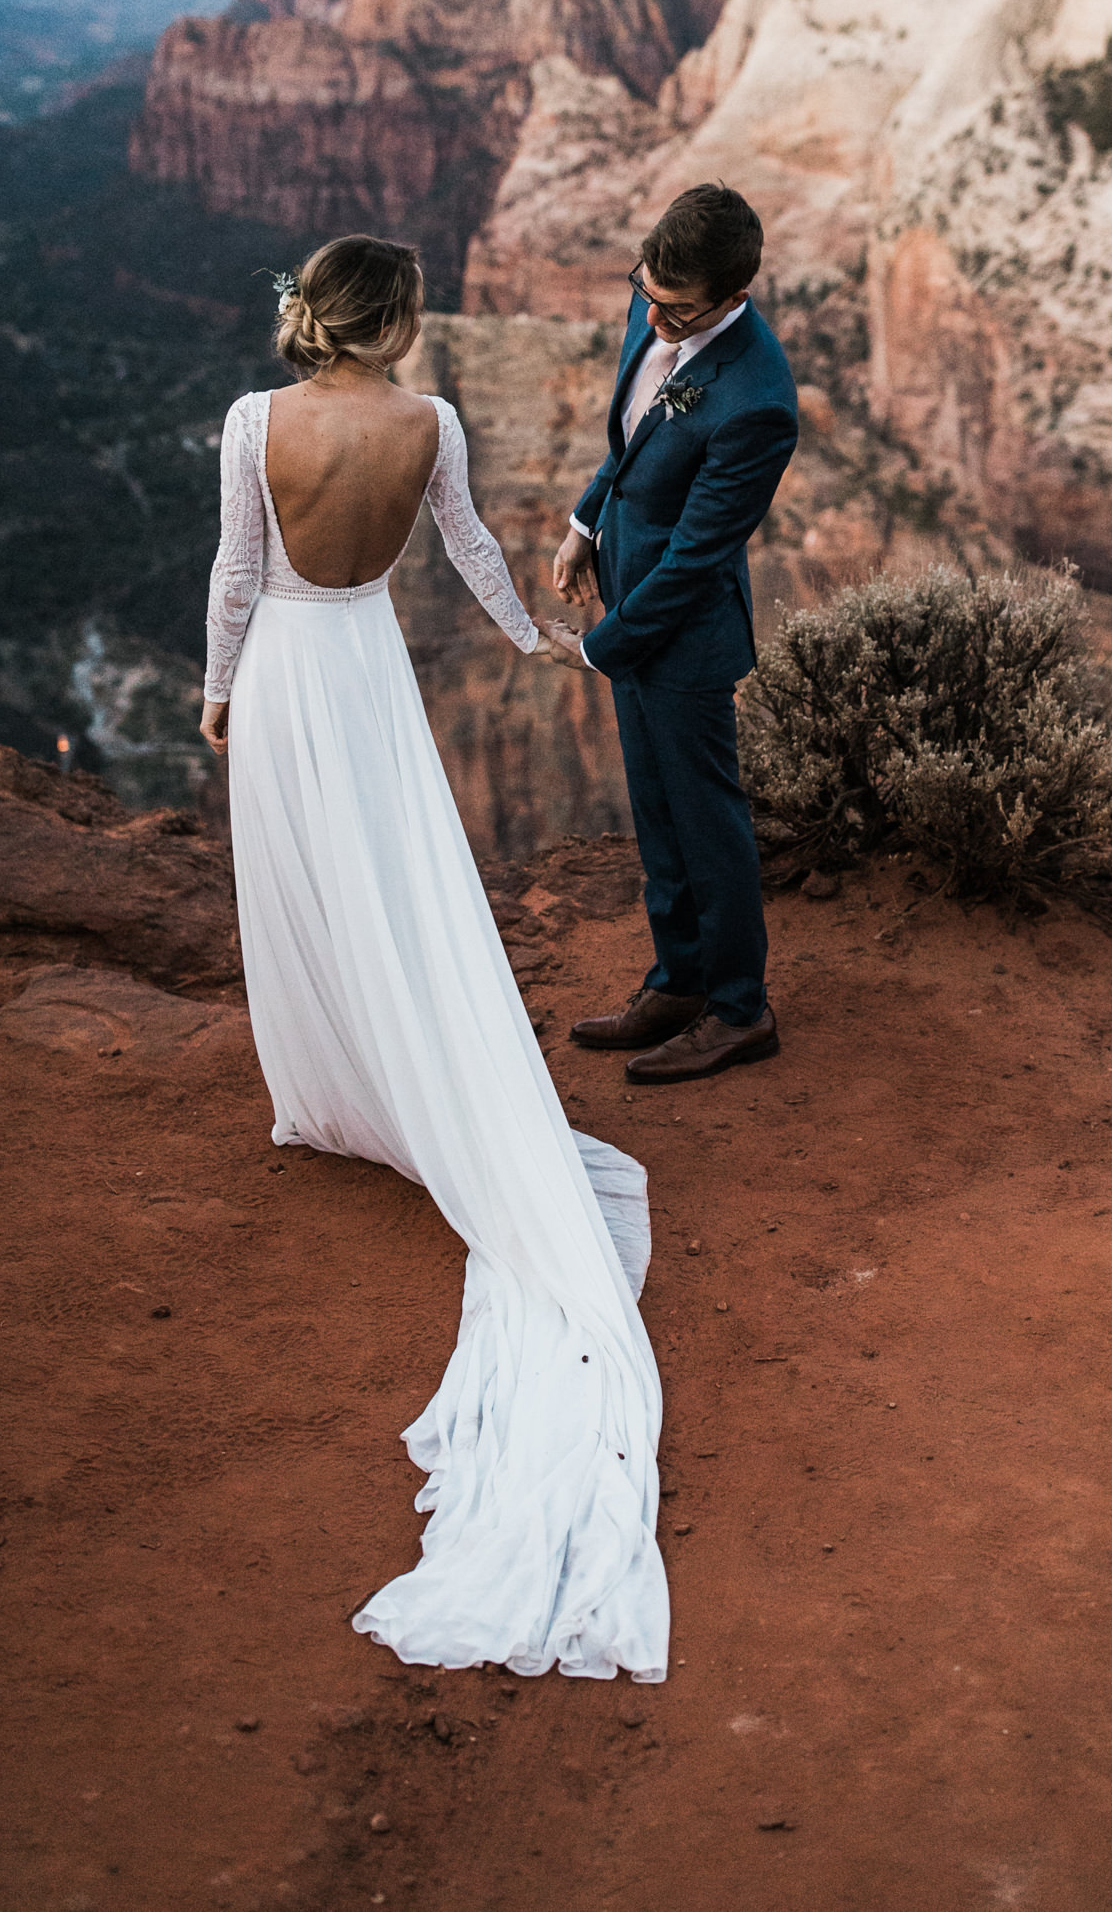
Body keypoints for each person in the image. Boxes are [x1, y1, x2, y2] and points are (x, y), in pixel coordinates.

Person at [198, 234, 668, 1683]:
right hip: (363, 668)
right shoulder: (430, 426)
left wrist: (215, 695)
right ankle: (392, 1082)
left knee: (302, 885)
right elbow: (464, 545)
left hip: (283, 664)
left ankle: (327, 1093)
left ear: (306, 323)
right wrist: (526, 630)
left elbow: (232, 570)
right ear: (393, 326)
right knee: (394, 881)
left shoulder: (251, 424)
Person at [540, 183, 799, 1083]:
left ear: (732, 299)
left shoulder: (757, 400)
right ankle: (676, 981)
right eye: (645, 290)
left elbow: (695, 558)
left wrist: (599, 645)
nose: (652, 314)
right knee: (656, 814)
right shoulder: (655, 304)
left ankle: (738, 1009)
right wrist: (586, 525)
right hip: (629, 595)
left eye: (676, 308)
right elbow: (630, 442)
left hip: (682, 637)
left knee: (705, 820)